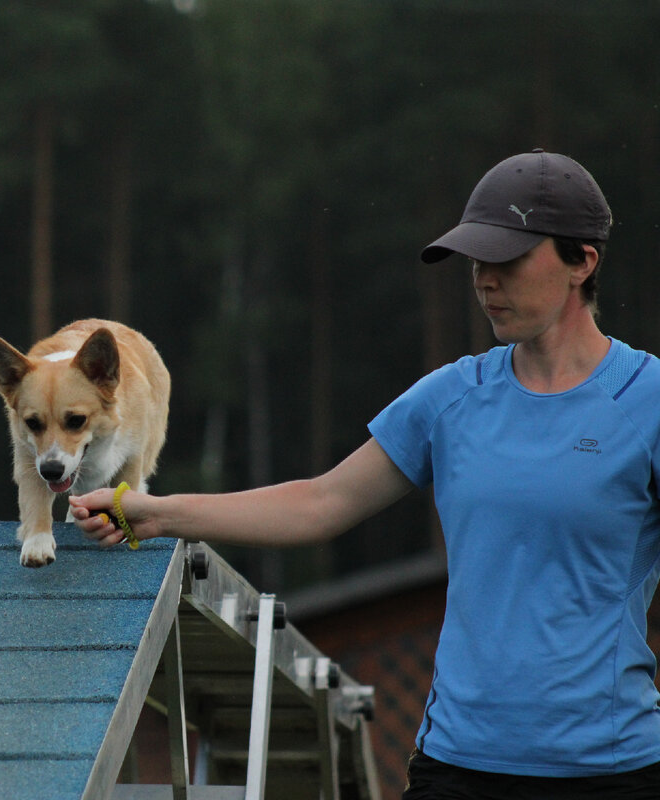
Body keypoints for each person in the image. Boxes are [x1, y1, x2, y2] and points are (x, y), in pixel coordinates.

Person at [72, 150, 660, 797]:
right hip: (459, 770)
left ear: (583, 260)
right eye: (476, 260)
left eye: (508, 259)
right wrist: (155, 514)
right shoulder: (451, 398)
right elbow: (321, 503)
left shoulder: (648, 400)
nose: (485, 280)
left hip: (615, 773)